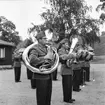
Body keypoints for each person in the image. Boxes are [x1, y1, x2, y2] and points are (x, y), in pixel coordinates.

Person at [28, 30, 55, 105]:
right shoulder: (35, 48)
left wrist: (52, 60)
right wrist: (45, 57)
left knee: (48, 97)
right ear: (39, 40)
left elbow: (52, 60)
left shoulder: (48, 48)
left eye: (46, 38)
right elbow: (32, 60)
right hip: (40, 76)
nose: (46, 40)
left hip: (48, 75)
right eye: (44, 38)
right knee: (41, 98)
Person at [58, 38, 75, 103]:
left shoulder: (67, 51)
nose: (68, 45)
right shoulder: (60, 50)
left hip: (69, 70)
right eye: (66, 44)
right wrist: (70, 55)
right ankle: (66, 99)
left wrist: (73, 56)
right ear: (63, 45)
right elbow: (62, 57)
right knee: (66, 85)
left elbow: (70, 58)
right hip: (65, 70)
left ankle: (69, 97)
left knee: (70, 85)